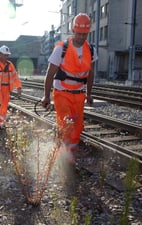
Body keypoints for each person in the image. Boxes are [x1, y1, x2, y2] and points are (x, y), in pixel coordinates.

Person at [41, 13, 98, 162]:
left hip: (79, 94)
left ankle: (69, 152)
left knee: (78, 127)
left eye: (84, 34)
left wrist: (89, 93)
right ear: (73, 31)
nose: (81, 37)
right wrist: (46, 96)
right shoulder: (61, 49)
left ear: (88, 33)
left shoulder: (91, 50)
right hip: (62, 93)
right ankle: (65, 157)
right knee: (66, 123)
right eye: (78, 33)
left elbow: (90, 73)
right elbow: (50, 73)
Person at [0, 45, 22, 128]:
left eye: (7, 55)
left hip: (7, 89)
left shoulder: (10, 65)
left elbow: (15, 76)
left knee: (5, 105)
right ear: (0, 54)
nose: (7, 56)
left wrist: (19, 87)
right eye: (5, 55)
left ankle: (2, 121)